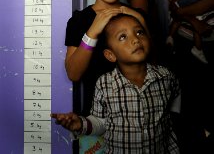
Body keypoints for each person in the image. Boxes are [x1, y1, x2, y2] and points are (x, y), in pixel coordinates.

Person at [52, 13, 181, 154]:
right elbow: (100, 123)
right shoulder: (104, 84)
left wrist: (173, 117)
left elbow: (176, 95)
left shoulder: (165, 76)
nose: (135, 40)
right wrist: (80, 124)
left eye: (139, 32)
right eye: (123, 37)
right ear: (110, 55)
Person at [65, 0, 149, 152]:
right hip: (96, 117)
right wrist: (92, 31)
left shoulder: (136, 17)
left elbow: (153, 67)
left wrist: (140, 21)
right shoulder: (79, 21)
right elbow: (73, 73)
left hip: (139, 115)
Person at [166, 0, 214, 154]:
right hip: (185, 42)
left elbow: (208, 5)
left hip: (209, 43)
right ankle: (190, 139)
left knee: (206, 89)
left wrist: (184, 13)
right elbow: (172, 7)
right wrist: (196, 23)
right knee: (187, 89)